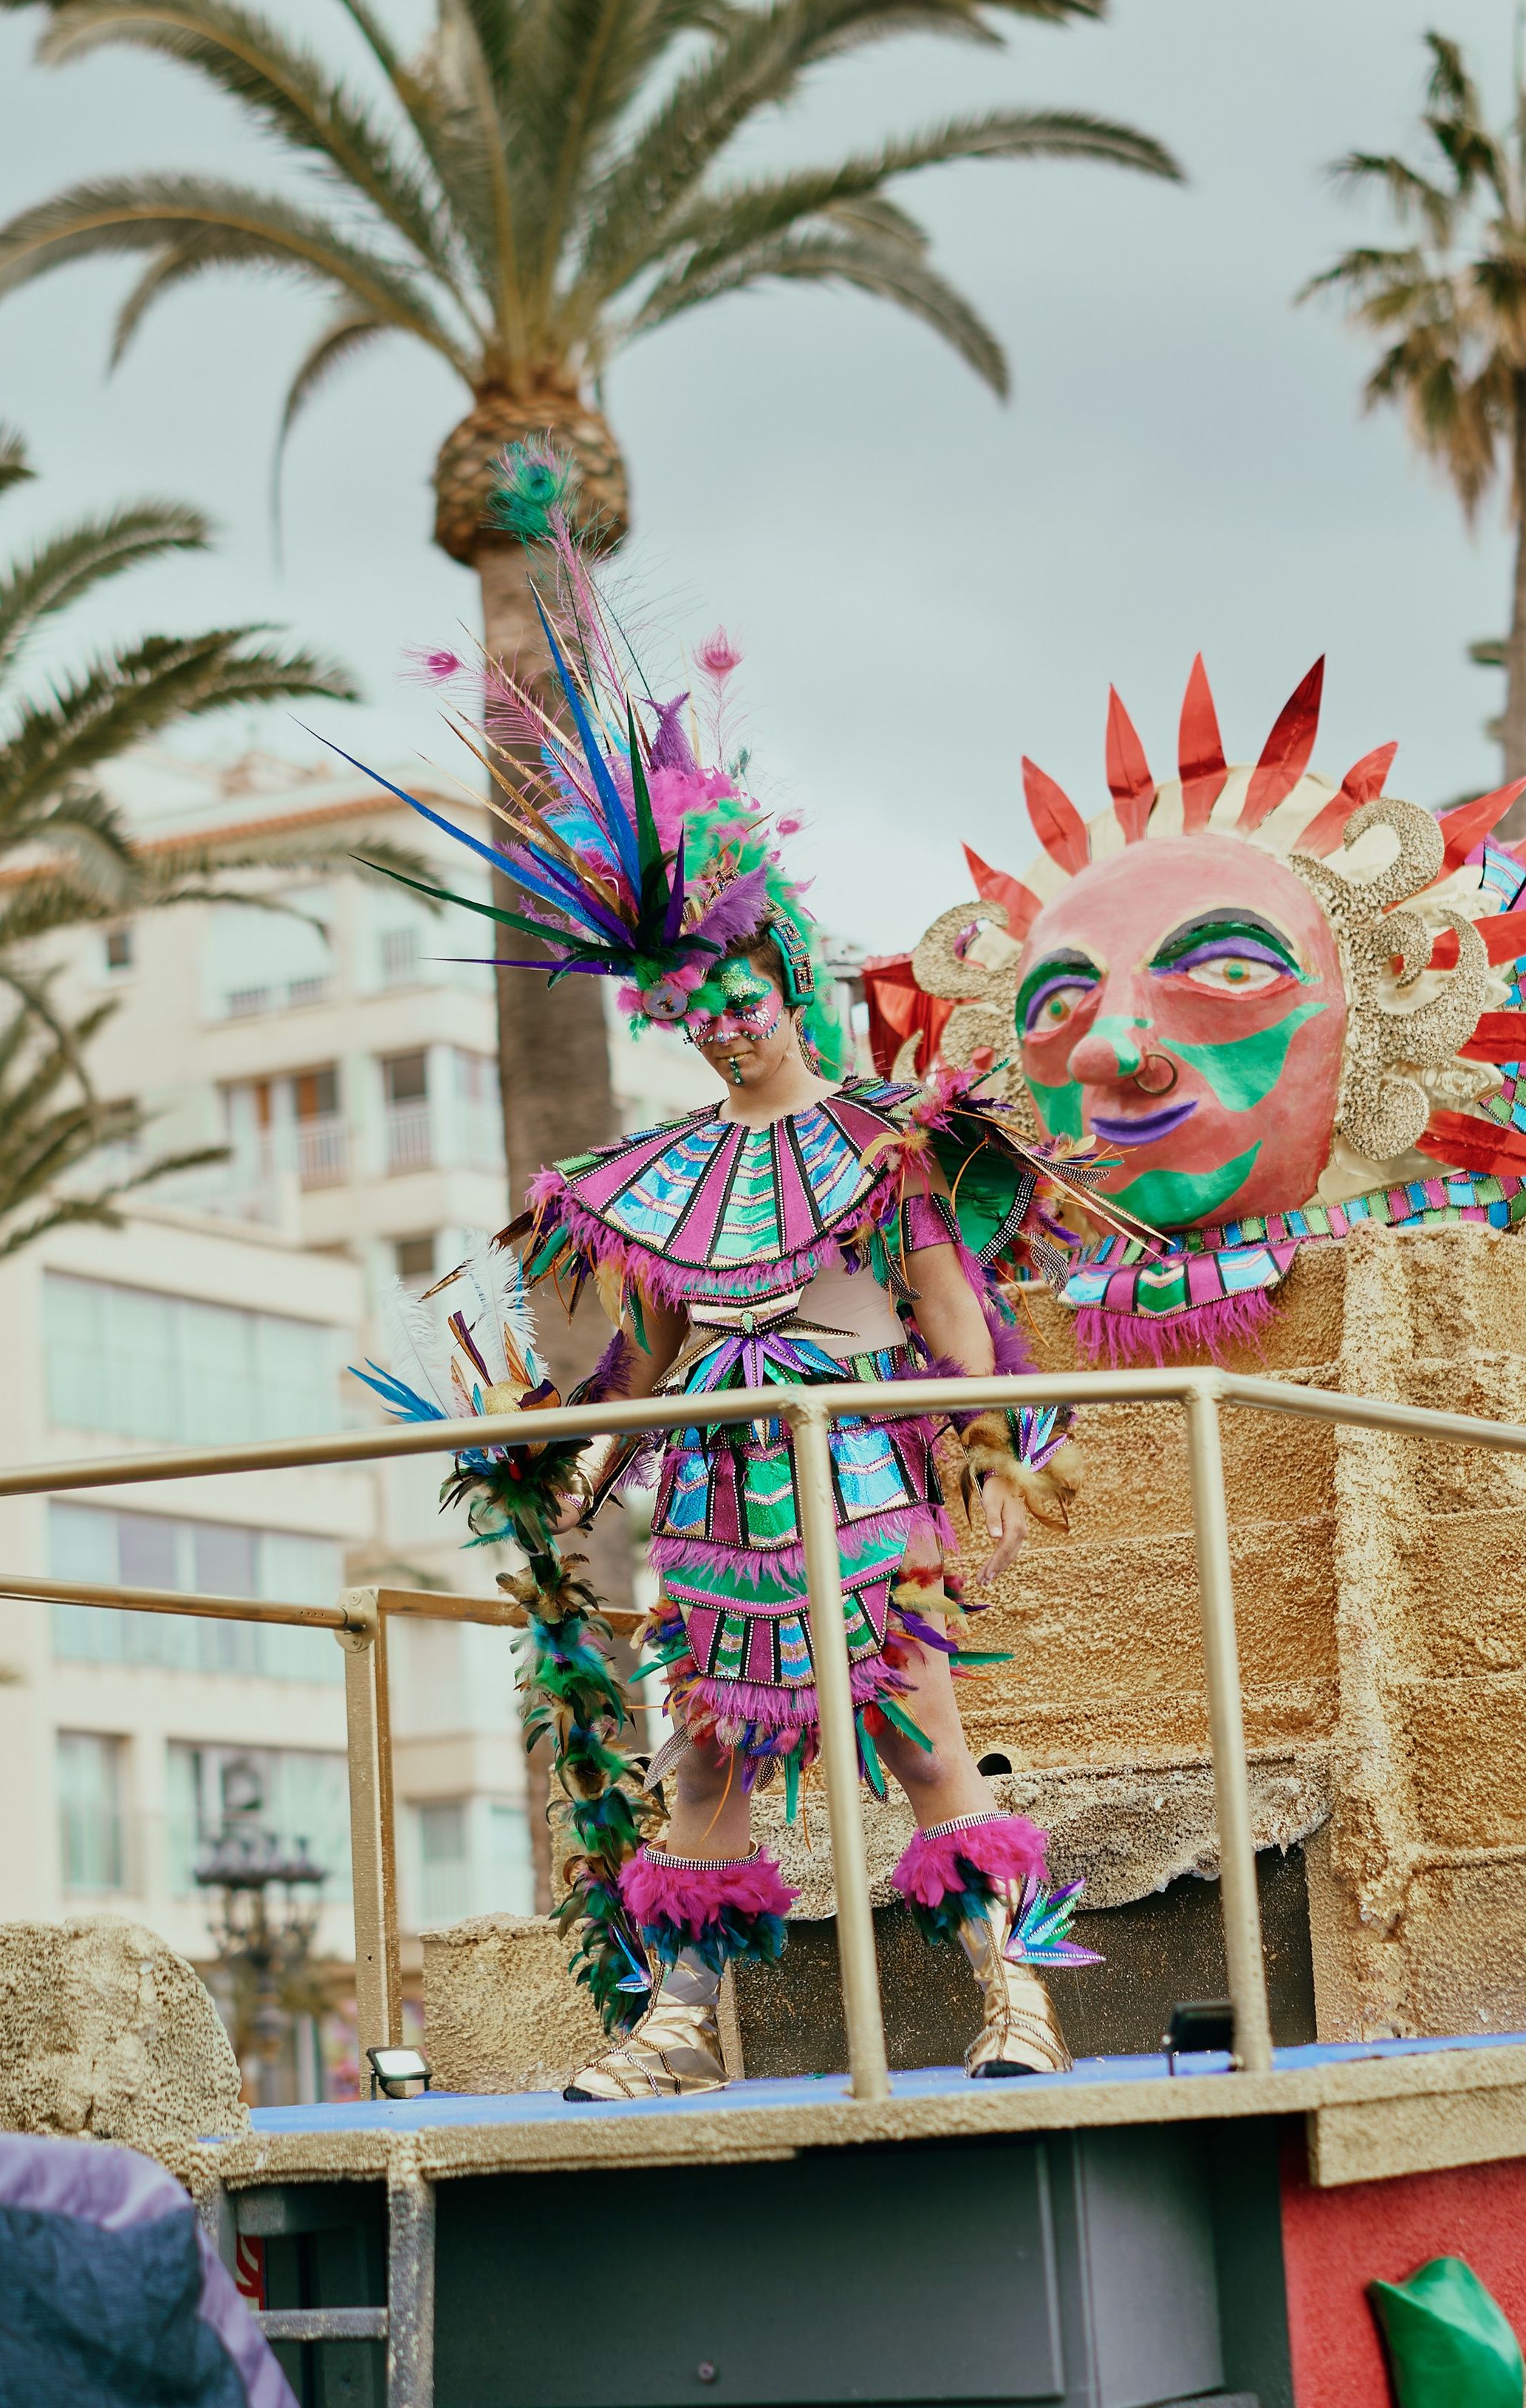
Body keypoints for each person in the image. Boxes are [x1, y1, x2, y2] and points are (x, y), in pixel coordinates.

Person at [347, 438, 1100, 2100]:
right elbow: (647, 1351)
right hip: (714, 1493)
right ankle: (677, 2029)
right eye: (689, 998)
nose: (718, 1014)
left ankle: (1019, 2006)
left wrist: (986, 1446)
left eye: (737, 986)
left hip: (856, 1473)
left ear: (783, 974)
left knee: (917, 1741)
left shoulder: (890, 1136)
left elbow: (955, 1315)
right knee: (703, 1763)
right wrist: (563, 1465)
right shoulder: (659, 1179)